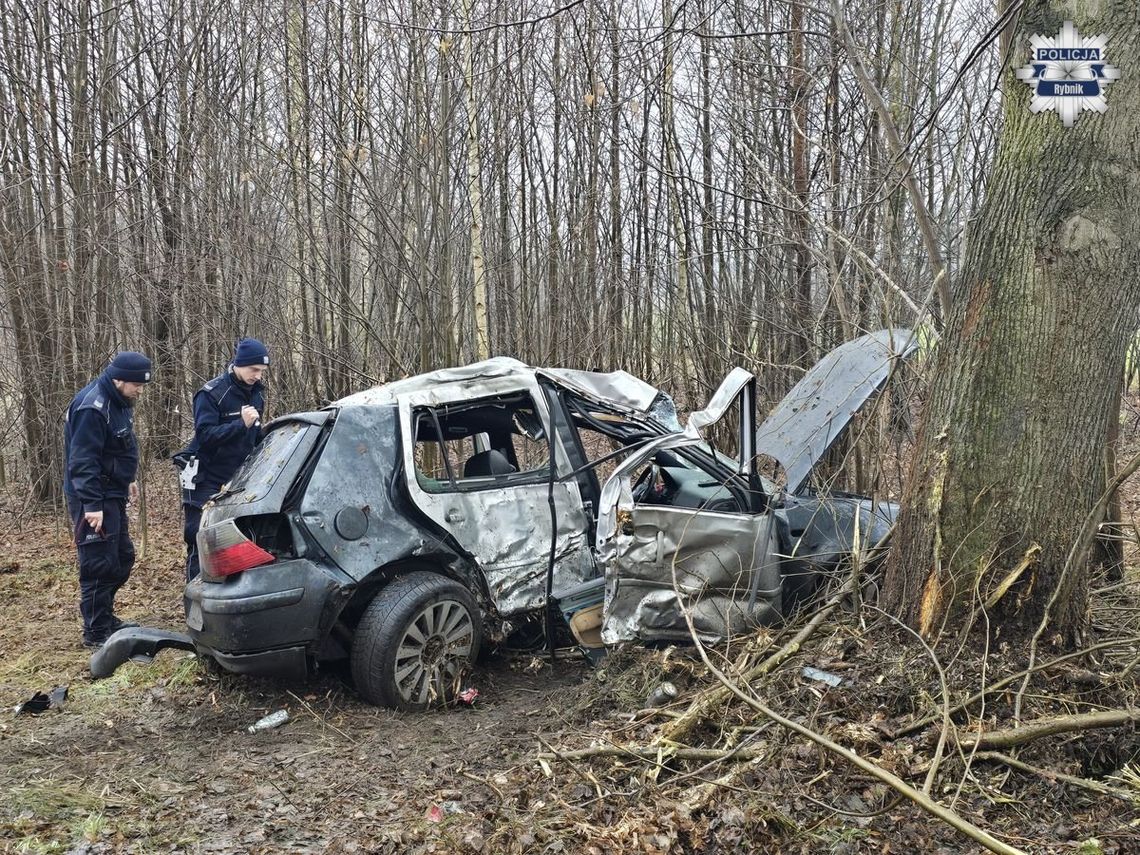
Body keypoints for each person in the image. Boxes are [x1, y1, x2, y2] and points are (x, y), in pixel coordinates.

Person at [63, 351, 152, 649]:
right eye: (137, 384)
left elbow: (119, 446)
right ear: (119, 379)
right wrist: (92, 506)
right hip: (93, 497)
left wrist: (129, 479)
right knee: (98, 564)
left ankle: (104, 616)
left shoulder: (120, 401)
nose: (140, 390)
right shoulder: (93, 408)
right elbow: (82, 461)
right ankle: (96, 632)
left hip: (112, 493)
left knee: (122, 556)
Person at [178, 338, 269, 580]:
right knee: (200, 537)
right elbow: (205, 436)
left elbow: (254, 435)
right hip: (203, 475)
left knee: (236, 536)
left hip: (237, 477)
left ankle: (228, 596)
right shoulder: (211, 394)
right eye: (254, 370)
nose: (258, 376)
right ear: (239, 364)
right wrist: (240, 425)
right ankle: (196, 600)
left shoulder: (257, 394)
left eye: (261, 371)